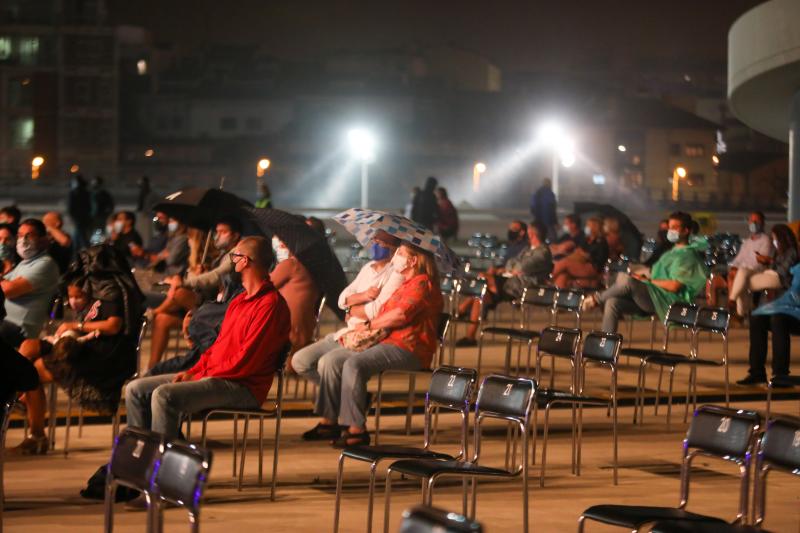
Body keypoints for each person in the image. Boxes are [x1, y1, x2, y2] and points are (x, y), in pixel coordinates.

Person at [125, 236, 290, 442]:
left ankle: (162, 468)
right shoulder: (239, 301)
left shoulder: (270, 305)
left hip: (243, 385)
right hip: (218, 376)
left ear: (245, 261)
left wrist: (198, 376)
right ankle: (139, 457)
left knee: (164, 396)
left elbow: (245, 361)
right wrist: (193, 371)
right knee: (136, 389)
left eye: (234, 255)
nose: (232, 260)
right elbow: (216, 347)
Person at [301, 242, 443, 447]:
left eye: (400, 253)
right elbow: (376, 309)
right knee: (334, 360)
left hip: (409, 348)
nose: (395, 257)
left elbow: (399, 314)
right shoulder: (405, 283)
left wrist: (368, 325)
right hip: (387, 342)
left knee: (353, 365)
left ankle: (356, 429)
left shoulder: (422, 284)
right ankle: (338, 415)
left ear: (413, 260)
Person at [13, 268, 141, 455]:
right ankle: (18, 395)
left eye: (79, 295)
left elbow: (113, 326)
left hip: (98, 354)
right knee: (29, 346)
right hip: (75, 343)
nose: (73, 300)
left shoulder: (111, 296)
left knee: (35, 371)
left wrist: (75, 326)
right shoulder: (92, 298)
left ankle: (36, 435)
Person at [292, 231, 403, 385]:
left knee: (328, 363)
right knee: (300, 361)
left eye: (380, 242)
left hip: (365, 336)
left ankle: (343, 398)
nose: (374, 245)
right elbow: (342, 299)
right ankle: (347, 393)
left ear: (393, 248)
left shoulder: (394, 273)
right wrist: (363, 296)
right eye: (373, 241)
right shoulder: (368, 268)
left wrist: (351, 308)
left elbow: (375, 311)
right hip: (346, 333)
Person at [583, 211, 707, 334]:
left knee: (628, 280)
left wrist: (647, 281)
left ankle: (596, 299)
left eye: (674, 228)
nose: (670, 231)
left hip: (667, 301)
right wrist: (643, 276)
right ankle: (607, 342)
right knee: (613, 301)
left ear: (686, 231)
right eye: (669, 227)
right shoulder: (672, 252)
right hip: (653, 296)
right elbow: (656, 274)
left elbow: (674, 286)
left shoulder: (687, 256)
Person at [145, 218, 242, 369]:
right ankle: (151, 367)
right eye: (217, 231)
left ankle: (153, 312)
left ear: (235, 235)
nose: (218, 235)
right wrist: (196, 272)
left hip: (216, 309)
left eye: (223, 232)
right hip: (203, 301)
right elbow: (205, 279)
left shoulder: (237, 254)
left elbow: (215, 277)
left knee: (179, 292)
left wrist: (185, 281)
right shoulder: (221, 255)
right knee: (162, 319)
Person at [455, 224, 553, 346]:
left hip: (521, 287)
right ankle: (470, 337)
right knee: (480, 296)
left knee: (484, 277)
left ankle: (460, 310)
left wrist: (514, 269)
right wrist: (513, 270)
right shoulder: (528, 249)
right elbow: (511, 263)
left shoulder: (542, 251)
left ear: (532, 233)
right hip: (508, 283)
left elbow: (523, 267)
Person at [737, 262, 800, 386]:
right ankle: (757, 373)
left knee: (778, 319)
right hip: (792, 309)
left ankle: (781, 374)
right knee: (757, 319)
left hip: (794, 311)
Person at [0, 219, 60, 347]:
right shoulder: (24, 263)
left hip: (19, 328)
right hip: (5, 322)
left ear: (43, 240)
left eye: (29, 236)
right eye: (20, 236)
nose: (23, 240)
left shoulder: (45, 264)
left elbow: (7, 290)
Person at [729, 223, 798, 317]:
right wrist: (767, 261)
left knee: (742, 282)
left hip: (779, 278)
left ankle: (739, 310)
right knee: (742, 273)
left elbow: (783, 271)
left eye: (775, 238)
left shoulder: (791, 252)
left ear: (781, 238)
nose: (774, 241)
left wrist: (769, 261)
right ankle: (738, 308)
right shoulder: (778, 251)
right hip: (769, 274)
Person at [711, 212, 773, 310]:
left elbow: (760, 261)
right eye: (751, 221)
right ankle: (725, 310)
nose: (753, 223)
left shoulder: (766, 240)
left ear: (762, 223)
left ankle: (733, 303)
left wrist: (739, 268)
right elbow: (738, 259)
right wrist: (734, 267)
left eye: (756, 221)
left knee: (740, 273)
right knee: (727, 277)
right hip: (742, 271)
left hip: (756, 271)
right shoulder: (747, 242)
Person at [270, 235, 321, 354]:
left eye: (283, 243)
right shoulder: (309, 265)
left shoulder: (291, 264)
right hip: (306, 327)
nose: (280, 247)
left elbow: (263, 287)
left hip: (288, 329)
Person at [552, 216, 608, 289]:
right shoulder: (586, 239)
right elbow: (578, 251)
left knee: (565, 262)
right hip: (581, 263)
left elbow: (598, 260)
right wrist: (583, 254)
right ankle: (557, 296)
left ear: (595, 227)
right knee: (562, 275)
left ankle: (548, 276)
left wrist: (585, 255)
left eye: (588, 225)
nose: (586, 227)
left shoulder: (601, 242)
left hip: (592, 268)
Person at [530, 177, 557, 242]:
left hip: (538, 220)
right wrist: (555, 221)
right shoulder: (550, 193)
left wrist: (536, 216)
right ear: (549, 183)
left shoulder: (537, 193)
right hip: (548, 221)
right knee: (552, 239)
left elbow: (532, 207)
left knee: (539, 237)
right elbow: (552, 208)